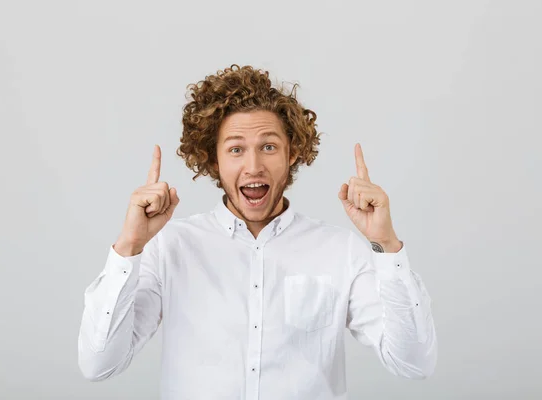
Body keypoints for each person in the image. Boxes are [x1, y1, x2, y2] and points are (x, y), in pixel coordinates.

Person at [77, 65, 437, 399]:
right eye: (236, 149)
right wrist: (129, 247)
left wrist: (387, 247)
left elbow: (414, 364)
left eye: (268, 147)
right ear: (213, 159)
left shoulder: (341, 250)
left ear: (292, 153)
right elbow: (99, 364)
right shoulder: (170, 246)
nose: (253, 167)